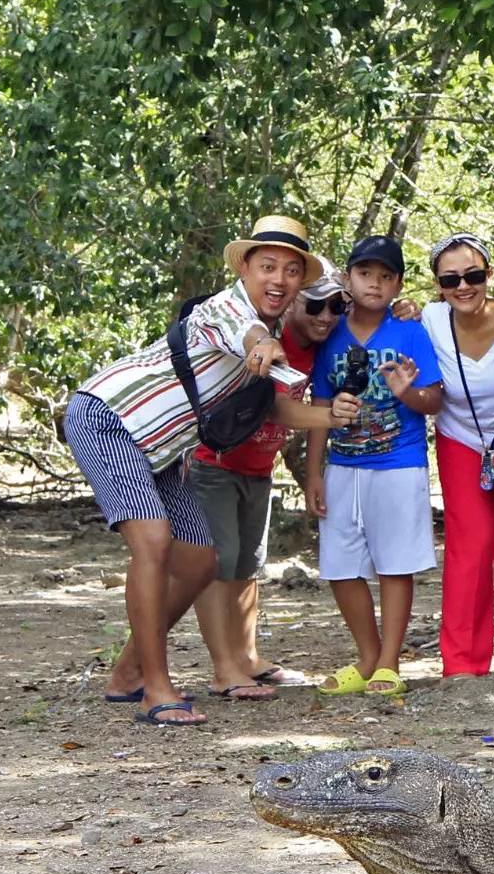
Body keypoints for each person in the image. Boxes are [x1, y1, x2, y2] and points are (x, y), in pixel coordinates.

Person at [66, 215, 356, 726]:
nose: (279, 279)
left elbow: (271, 407)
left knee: (201, 562)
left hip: (162, 449)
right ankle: (156, 690)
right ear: (245, 269)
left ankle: (128, 672)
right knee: (154, 543)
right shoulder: (224, 309)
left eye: (291, 271)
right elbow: (245, 335)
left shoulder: (271, 329)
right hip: (109, 420)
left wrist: (329, 416)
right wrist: (261, 343)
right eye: (268, 266)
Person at [190, 260, 346, 699]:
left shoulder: (323, 344)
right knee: (217, 563)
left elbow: (373, 310)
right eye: (315, 305)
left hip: (258, 466)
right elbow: (277, 408)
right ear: (293, 302)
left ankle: (248, 657)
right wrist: (335, 418)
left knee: (247, 566)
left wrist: (407, 309)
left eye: (337, 307)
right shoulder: (269, 337)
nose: (326, 316)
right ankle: (224, 669)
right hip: (213, 461)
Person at [305, 235, 445, 695]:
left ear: (398, 284)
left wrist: (406, 392)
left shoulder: (410, 331)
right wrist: (312, 472)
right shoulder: (330, 332)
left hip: (399, 462)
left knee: (394, 563)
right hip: (343, 464)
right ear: (348, 278)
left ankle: (389, 663)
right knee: (340, 564)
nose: (375, 283)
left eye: (386, 276)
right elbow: (320, 404)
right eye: (365, 273)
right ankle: (366, 656)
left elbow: (434, 400)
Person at [423, 233, 494, 679]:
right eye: (450, 279)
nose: (463, 286)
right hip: (460, 439)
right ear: (438, 285)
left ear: (490, 274)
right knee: (469, 547)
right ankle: (462, 664)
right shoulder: (431, 319)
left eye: (472, 275)